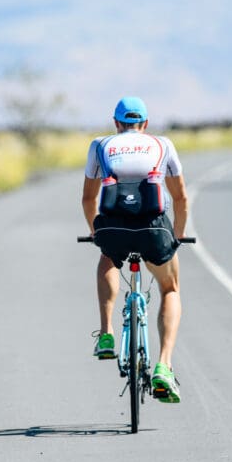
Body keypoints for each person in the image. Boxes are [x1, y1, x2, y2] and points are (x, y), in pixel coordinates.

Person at [81, 96, 188, 402]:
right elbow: (179, 197)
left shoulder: (100, 145)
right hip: (153, 229)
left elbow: (88, 199)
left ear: (116, 123)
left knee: (107, 260)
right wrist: (176, 236)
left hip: (114, 228)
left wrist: (95, 233)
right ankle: (164, 366)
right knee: (170, 289)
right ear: (146, 124)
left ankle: (106, 334)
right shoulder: (162, 144)